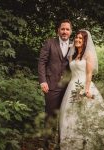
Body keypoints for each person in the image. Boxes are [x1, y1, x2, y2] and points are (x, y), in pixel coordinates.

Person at [59, 30, 104, 150]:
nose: (77, 40)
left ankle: (89, 141)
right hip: (72, 85)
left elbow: (89, 74)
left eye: (80, 39)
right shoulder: (72, 55)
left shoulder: (89, 55)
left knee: (87, 113)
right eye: (76, 37)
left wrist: (86, 90)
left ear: (85, 41)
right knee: (69, 114)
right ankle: (70, 142)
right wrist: (71, 44)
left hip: (84, 86)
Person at [38, 19, 72, 149]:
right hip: (51, 86)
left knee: (65, 117)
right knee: (49, 116)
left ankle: (60, 144)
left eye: (67, 29)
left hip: (68, 87)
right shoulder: (49, 43)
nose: (64, 31)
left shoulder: (75, 44)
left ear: (70, 31)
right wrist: (43, 81)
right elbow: (41, 62)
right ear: (58, 30)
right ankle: (46, 145)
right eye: (62, 29)